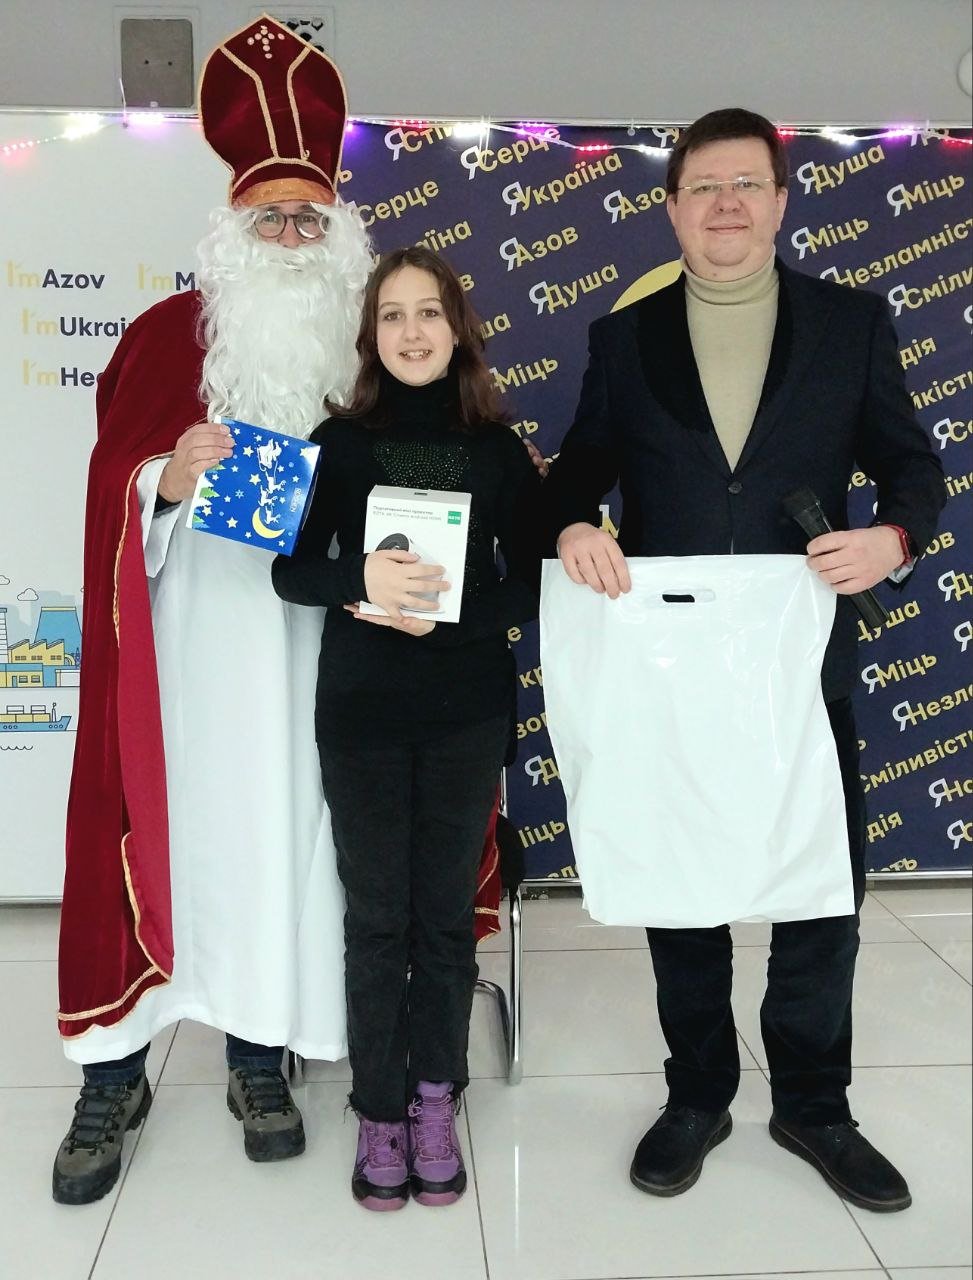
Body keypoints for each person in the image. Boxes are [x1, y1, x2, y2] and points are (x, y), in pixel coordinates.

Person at [542, 107, 945, 1212]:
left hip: (798, 659)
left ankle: (815, 1105)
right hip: (668, 669)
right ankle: (697, 1095)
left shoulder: (852, 323)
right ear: (671, 208)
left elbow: (913, 469)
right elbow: (576, 471)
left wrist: (892, 538)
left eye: (746, 184)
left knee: (820, 890)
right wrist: (569, 522)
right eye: (703, 187)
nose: (725, 204)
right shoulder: (623, 339)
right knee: (682, 881)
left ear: (779, 200)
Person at [53, 16, 373, 1205]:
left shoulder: (374, 343)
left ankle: (256, 1053)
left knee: (283, 843)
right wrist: (164, 478)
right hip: (188, 654)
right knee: (160, 835)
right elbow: (109, 485)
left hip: (320, 649)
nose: (288, 238)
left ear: (338, 234)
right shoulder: (159, 339)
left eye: (308, 220)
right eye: (269, 219)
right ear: (231, 229)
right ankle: (113, 1069)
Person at [272, 246, 542, 1211]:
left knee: (444, 917)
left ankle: (437, 1097)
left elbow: (529, 583)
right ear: (370, 335)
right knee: (377, 919)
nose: (412, 331)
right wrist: (359, 578)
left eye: (429, 312)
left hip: (466, 711)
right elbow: (290, 571)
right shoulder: (338, 442)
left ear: (457, 329)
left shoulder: (498, 450)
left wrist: (450, 616)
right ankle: (379, 1109)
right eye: (392, 315)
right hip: (362, 715)